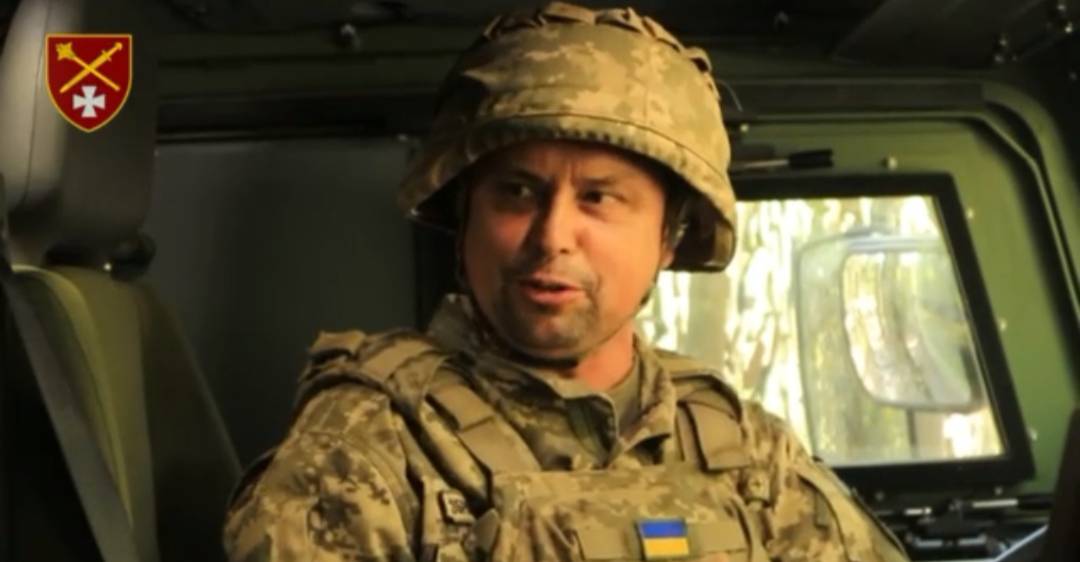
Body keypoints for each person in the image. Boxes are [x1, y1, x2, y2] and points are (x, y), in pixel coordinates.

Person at [223, 3, 910, 561]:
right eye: (518, 192)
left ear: (669, 238)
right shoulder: (369, 443)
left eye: (599, 198)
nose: (552, 235)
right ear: (465, 218)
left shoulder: (740, 448)